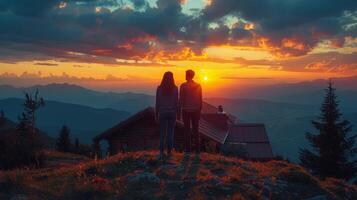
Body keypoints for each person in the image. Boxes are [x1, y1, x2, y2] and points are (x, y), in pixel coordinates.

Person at [155, 71, 178, 159]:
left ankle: (161, 151)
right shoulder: (175, 88)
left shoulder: (159, 88)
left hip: (162, 113)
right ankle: (169, 151)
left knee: (162, 133)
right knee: (170, 132)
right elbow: (177, 102)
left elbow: (157, 102)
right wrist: (178, 114)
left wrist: (156, 114)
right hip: (172, 113)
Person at [179, 69, 202, 154]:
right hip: (196, 110)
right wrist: (199, 111)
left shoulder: (183, 86)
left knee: (187, 130)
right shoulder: (198, 85)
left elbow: (181, 99)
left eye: (185, 74)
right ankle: (197, 150)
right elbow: (200, 99)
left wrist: (179, 111)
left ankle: (188, 150)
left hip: (185, 110)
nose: (184, 76)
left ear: (188, 75)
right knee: (196, 130)